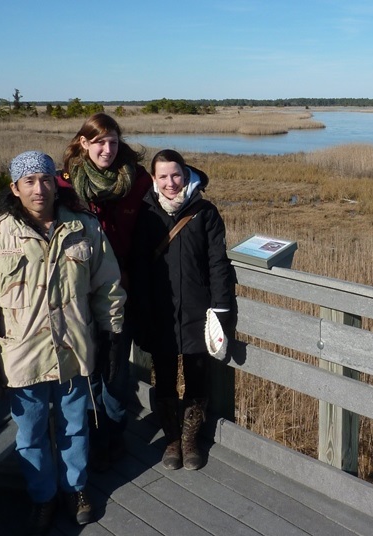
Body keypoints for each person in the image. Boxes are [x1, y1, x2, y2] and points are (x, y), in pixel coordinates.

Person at [0, 150, 125, 535]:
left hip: (74, 351)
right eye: (29, 182)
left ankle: (76, 489)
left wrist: (113, 335)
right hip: (23, 357)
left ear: (56, 182)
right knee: (31, 435)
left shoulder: (83, 228)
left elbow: (108, 286)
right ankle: (43, 497)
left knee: (75, 426)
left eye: (46, 179)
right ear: (14, 188)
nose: (39, 189)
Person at [132, 149, 236, 471]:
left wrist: (219, 309)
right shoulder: (146, 213)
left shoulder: (205, 212)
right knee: (162, 377)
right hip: (160, 311)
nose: (170, 183)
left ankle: (190, 440)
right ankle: (172, 440)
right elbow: (138, 265)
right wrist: (141, 307)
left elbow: (218, 264)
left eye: (176, 175)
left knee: (195, 376)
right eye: (162, 176)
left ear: (186, 173)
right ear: (154, 179)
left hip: (196, 311)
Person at [59, 113, 152, 472]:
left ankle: (114, 437)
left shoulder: (136, 179)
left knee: (114, 367)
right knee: (85, 367)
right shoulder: (65, 184)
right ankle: (90, 436)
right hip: (77, 290)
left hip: (120, 289)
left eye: (113, 142)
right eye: (99, 142)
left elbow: (165, 200)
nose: (107, 150)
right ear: (83, 143)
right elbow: (28, 208)